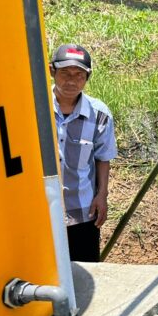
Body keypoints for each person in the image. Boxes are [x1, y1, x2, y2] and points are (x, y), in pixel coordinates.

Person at [51, 44, 117, 263]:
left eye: (79, 75)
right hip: (42, 213)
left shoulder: (99, 114)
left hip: (82, 212)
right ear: (52, 71)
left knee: (85, 270)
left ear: (87, 77)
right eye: (65, 73)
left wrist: (102, 195)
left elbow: (103, 157)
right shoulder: (33, 108)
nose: (71, 81)